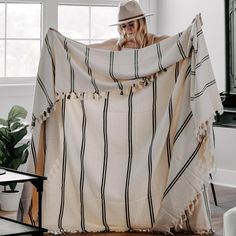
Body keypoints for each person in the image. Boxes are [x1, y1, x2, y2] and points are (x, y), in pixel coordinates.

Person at [89, 0, 168, 51]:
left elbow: (178, 41)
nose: (127, 29)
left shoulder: (155, 41)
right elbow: (87, 49)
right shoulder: (116, 44)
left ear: (141, 23)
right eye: (123, 26)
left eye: (131, 24)